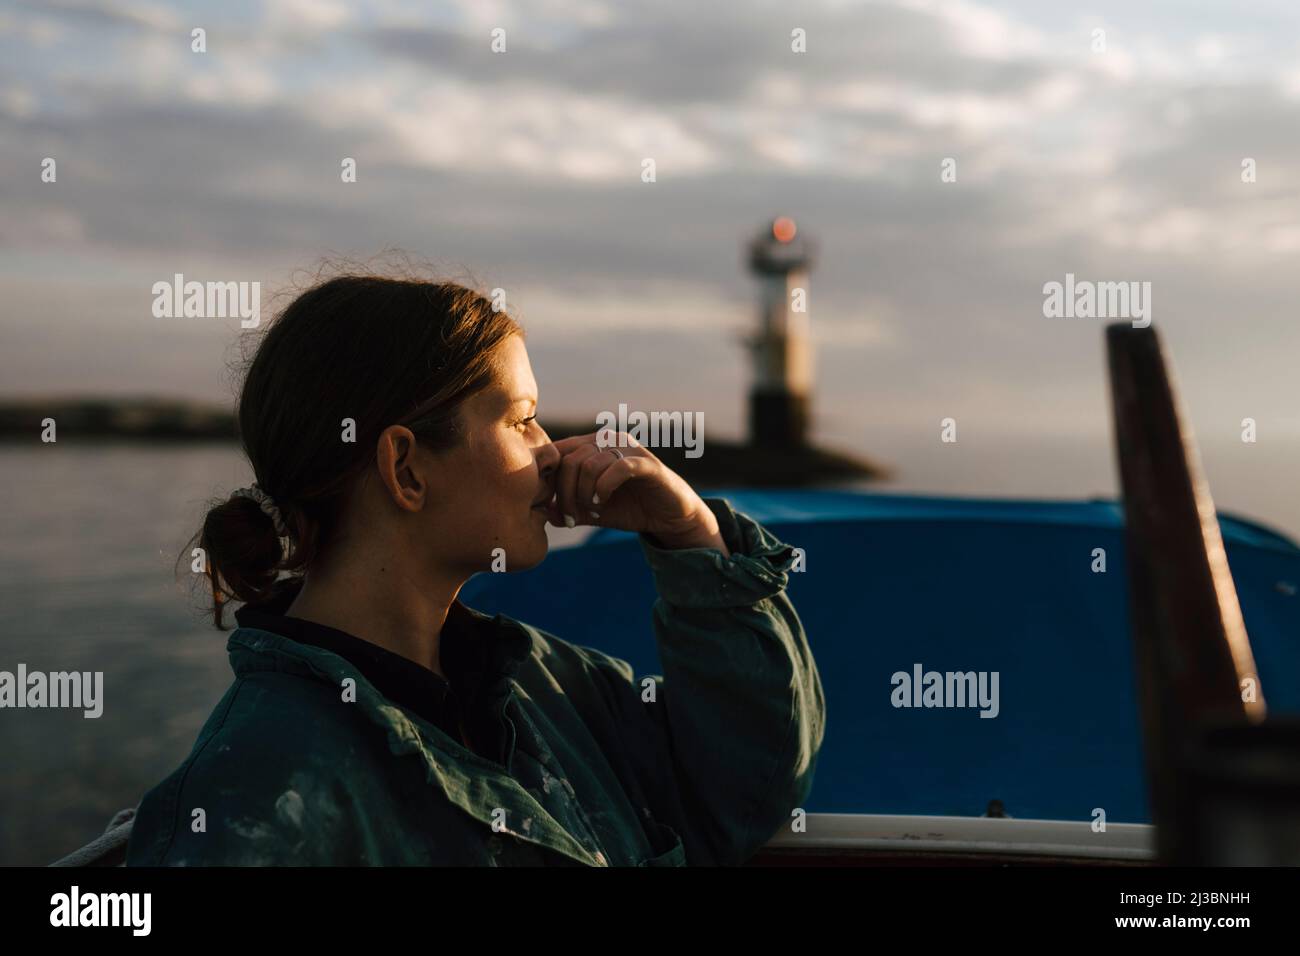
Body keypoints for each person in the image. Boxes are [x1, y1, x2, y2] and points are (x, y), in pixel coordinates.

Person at [125, 271, 826, 866]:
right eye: (521, 419)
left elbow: (743, 791)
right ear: (406, 468)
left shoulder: (544, 685)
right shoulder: (258, 795)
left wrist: (693, 540)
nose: (551, 450)